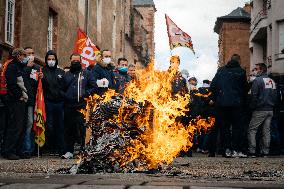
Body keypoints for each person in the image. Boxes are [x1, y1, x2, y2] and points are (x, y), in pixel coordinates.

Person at [210, 54, 249, 158]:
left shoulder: (221, 70)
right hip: (237, 104)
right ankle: (236, 149)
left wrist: (217, 98)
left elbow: (213, 86)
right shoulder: (241, 71)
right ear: (239, 61)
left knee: (224, 127)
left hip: (222, 104)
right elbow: (245, 88)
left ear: (229, 60)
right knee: (237, 127)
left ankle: (226, 149)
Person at [62, 53, 98, 159]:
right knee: (69, 129)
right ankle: (69, 150)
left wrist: (85, 94)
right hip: (69, 106)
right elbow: (61, 89)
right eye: (73, 61)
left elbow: (94, 86)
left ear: (80, 61)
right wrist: (66, 96)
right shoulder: (66, 75)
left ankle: (83, 150)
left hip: (82, 105)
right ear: (70, 61)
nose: (75, 62)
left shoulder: (87, 73)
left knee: (82, 129)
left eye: (77, 61)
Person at [3, 48, 29, 160]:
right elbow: (12, 84)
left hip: (21, 100)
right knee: (15, 126)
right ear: (18, 56)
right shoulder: (12, 67)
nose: (25, 58)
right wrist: (20, 96)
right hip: (15, 101)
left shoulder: (19, 67)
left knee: (21, 126)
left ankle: (18, 150)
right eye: (24, 55)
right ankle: (9, 151)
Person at [247, 63, 277, 157]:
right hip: (270, 109)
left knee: (252, 129)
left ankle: (252, 151)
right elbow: (275, 96)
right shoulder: (272, 81)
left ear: (261, 70)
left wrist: (252, 107)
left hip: (260, 109)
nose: (255, 70)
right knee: (266, 131)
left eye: (256, 69)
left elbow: (254, 96)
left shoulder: (257, 81)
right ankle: (265, 152)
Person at [42, 50, 65, 156]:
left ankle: (59, 148)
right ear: (46, 60)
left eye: (53, 59)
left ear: (56, 60)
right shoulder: (42, 71)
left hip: (60, 103)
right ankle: (47, 147)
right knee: (49, 125)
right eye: (49, 59)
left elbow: (64, 86)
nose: (51, 61)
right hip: (48, 102)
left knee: (60, 126)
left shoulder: (61, 72)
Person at [20, 47, 42, 158]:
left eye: (33, 53)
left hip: (35, 100)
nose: (31, 55)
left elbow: (39, 84)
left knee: (34, 123)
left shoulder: (37, 67)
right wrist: (27, 68)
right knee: (28, 124)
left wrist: (42, 78)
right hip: (25, 100)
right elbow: (22, 81)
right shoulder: (22, 66)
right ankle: (26, 149)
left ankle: (33, 149)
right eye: (28, 53)